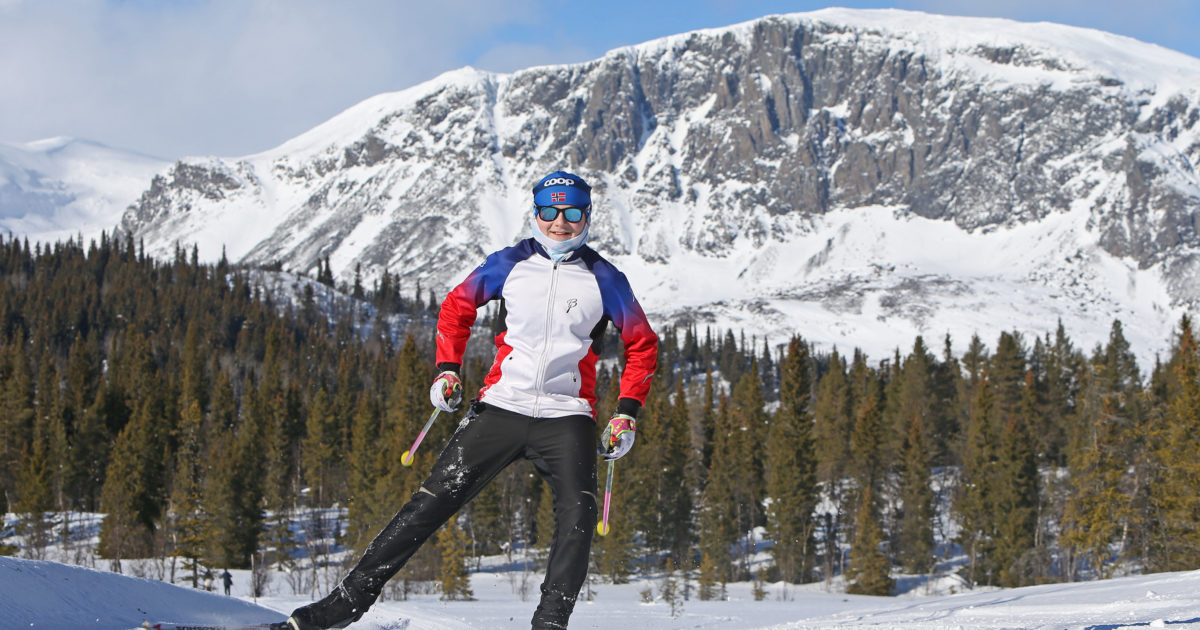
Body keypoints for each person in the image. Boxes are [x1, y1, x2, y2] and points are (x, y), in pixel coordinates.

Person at [280, 170, 658, 630]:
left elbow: (642, 344)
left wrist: (626, 414)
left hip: (567, 415)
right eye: (550, 212)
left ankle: (550, 623)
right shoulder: (509, 263)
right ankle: (345, 604)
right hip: (501, 405)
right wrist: (447, 370)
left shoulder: (605, 278)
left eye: (573, 213)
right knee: (430, 502)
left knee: (576, 518)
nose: (561, 223)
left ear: (588, 217)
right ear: (536, 214)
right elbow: (457, 307)